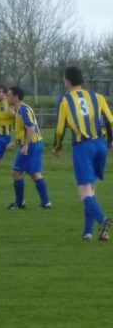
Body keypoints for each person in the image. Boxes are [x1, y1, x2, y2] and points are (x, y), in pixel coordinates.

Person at [51, 67, 113, 241]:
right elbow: (110, 120)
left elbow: (60, 128)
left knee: (84, 191)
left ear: (67, 80)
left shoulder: (65, 100)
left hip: (83, 147)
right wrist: (110, 141)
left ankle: (103, 221)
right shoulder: (97, 96)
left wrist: (57, 147)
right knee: (91, 190)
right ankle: (88, 232)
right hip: (100, 145)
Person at [5, 86, 51, 210]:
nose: (6, 97)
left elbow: (31, 128)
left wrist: (25, 146)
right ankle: (46, 203)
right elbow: (22, 130)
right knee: (35, 174)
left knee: (16, 172)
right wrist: (14, 141)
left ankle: (20, 203)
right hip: (35, 144)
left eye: (8, 95)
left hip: (31, 145)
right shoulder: (19, 109)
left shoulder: (23, 110)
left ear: (16, 97)